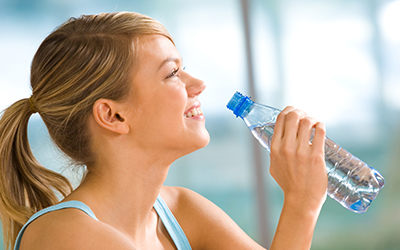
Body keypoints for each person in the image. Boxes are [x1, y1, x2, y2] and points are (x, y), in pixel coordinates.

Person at [0, 12, 327, 250]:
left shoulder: (183, 211)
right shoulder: (68, 237)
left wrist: (305, 199)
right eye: (173, 73)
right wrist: (301, 204)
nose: (198, 84)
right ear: (113, 115)